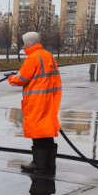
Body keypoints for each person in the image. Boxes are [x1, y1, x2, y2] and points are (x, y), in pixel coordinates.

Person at [7, 32, 62, 174]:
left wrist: (11, 78)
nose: (23, 46)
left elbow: (21, 79)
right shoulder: (48, 55)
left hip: (37, 102)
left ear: (30, 43)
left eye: (24, 43)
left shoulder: (32, 58)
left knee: (37, 133)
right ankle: (49, 164)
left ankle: (38, 164)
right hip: (49, 100)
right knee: (46, 132)